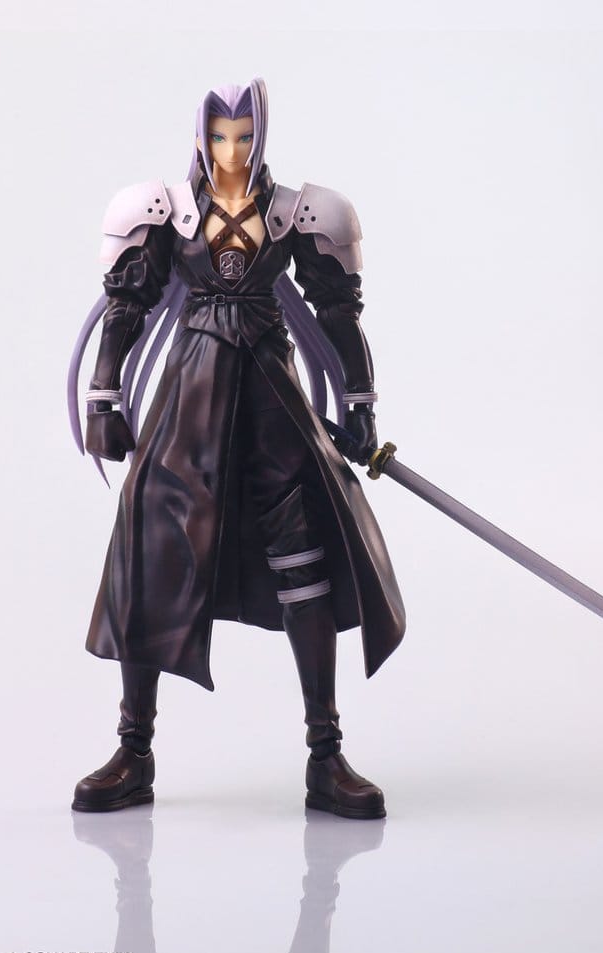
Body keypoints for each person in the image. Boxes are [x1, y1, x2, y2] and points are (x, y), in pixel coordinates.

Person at [69, 79, 405, 819]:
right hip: (188, 400)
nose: (232, 150)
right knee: (150, 553)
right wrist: (103, 399)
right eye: (221, 136)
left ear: (261, 137)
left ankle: (326, 757)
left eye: (244, 136)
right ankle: (133, 751)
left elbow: (338, 313)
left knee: (305, 563)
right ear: (201, 136)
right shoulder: (165, 211)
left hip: (274, 402)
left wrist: (359, 404)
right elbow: (127, 306)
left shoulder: (298, 212)